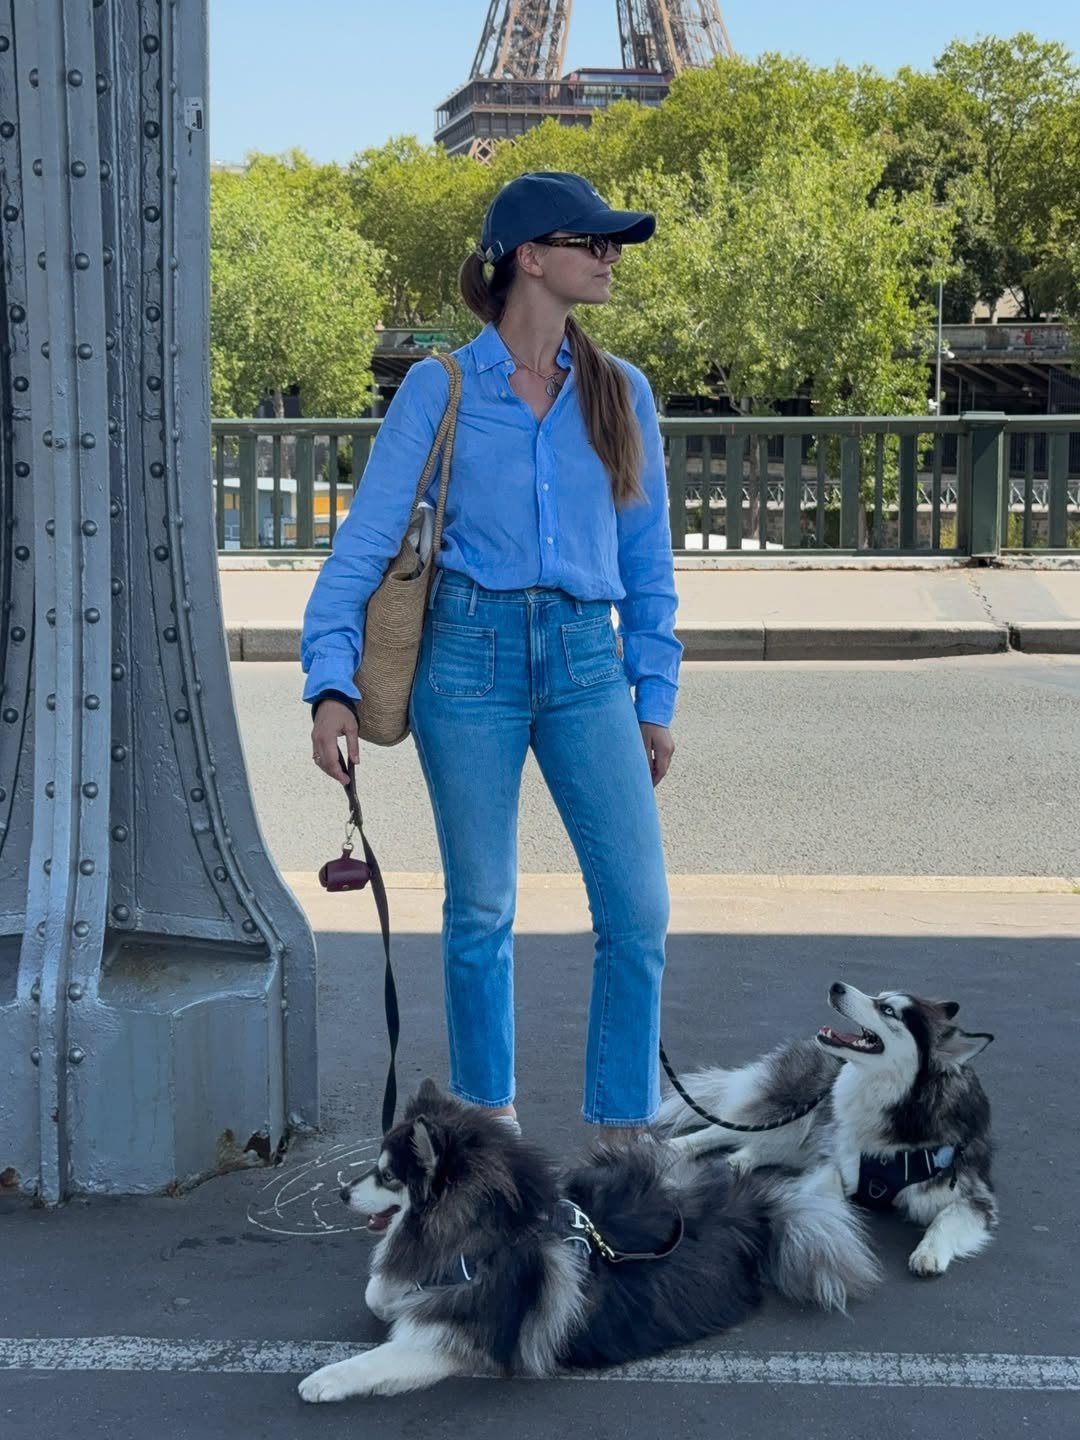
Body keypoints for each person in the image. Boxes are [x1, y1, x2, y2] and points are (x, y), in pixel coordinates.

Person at [302, 172, 681, 1140]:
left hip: (587, 663)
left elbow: (647, 562)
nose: (610, 256)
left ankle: (624, 1143)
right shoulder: (443, 387)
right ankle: (492, 1137)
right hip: (468, 659)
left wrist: (655, 692)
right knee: (481, 910)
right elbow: (366, 541)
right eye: (591, 241)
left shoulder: (622, 392)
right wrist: (330, 682)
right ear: (531, 258)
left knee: (639, 910)